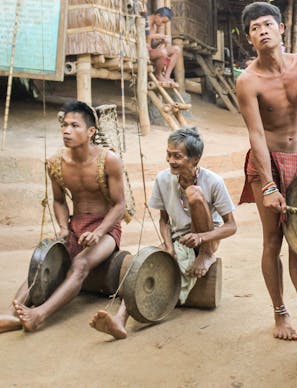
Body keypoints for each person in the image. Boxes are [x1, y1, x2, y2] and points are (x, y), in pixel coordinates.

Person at [0, 100, 126, 335]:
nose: (67, 131)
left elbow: (119, 205)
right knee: (42, 263)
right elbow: (58, 200)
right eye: (64, 125)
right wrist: (64, 228)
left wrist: (98, 232)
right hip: (75, 225)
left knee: (80, 264)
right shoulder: (56, 163)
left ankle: (39, 315)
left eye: (75, 126)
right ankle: (10, 315)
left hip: (106, 229)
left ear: (91, 132)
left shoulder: (109, 160)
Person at [90, 127, 237, 340]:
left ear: (195, 159)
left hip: (207, 239)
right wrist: (168, 247)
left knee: (195, 195)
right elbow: (164, 220)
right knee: (144, 264)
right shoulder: (163, 179)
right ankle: (120, 321)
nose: (170, 160)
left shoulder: (213, 181)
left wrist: (201, 240)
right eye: (168, 154)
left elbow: (231, 226)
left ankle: (205, 256)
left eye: (177, 156)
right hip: (178, 240)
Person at [236, 1, 297, 341]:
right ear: (249, 39)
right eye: (255, 28)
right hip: (266, 162)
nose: (263, 31)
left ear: (281, 28)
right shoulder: (248, 81)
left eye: (267, 24)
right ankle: (280, 315)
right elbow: (256, 134)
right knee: (273, 239)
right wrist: (269, 185)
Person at [147, 6, 181, 85]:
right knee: (163, 52)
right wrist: (162, 36)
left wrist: (161, 42)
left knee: (177, 49)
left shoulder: (154, 26)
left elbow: (152, 45)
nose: (162, 25)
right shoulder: (145, 21)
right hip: (143, 51)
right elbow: (146, 36)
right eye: (163, 22)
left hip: (151, 51)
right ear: (158, 16)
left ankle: (167, 76)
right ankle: (158, 75)